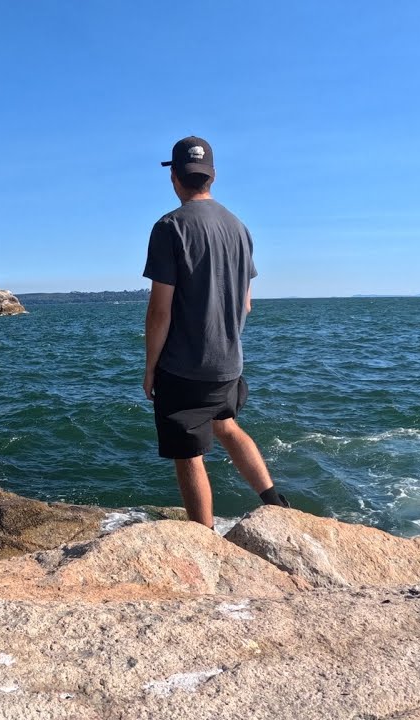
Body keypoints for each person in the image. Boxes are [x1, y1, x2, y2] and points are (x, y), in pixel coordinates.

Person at [142, 136, 288, 528]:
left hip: (184, 366)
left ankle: (204, 538)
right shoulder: (240, 228)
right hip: (228, 363)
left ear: (174, 176)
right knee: (225, 425)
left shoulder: (169, 227)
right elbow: (246, 304)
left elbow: (160, 311)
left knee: (189, 455)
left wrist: (150, 367)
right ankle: (276, 504)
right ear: (213, 176)